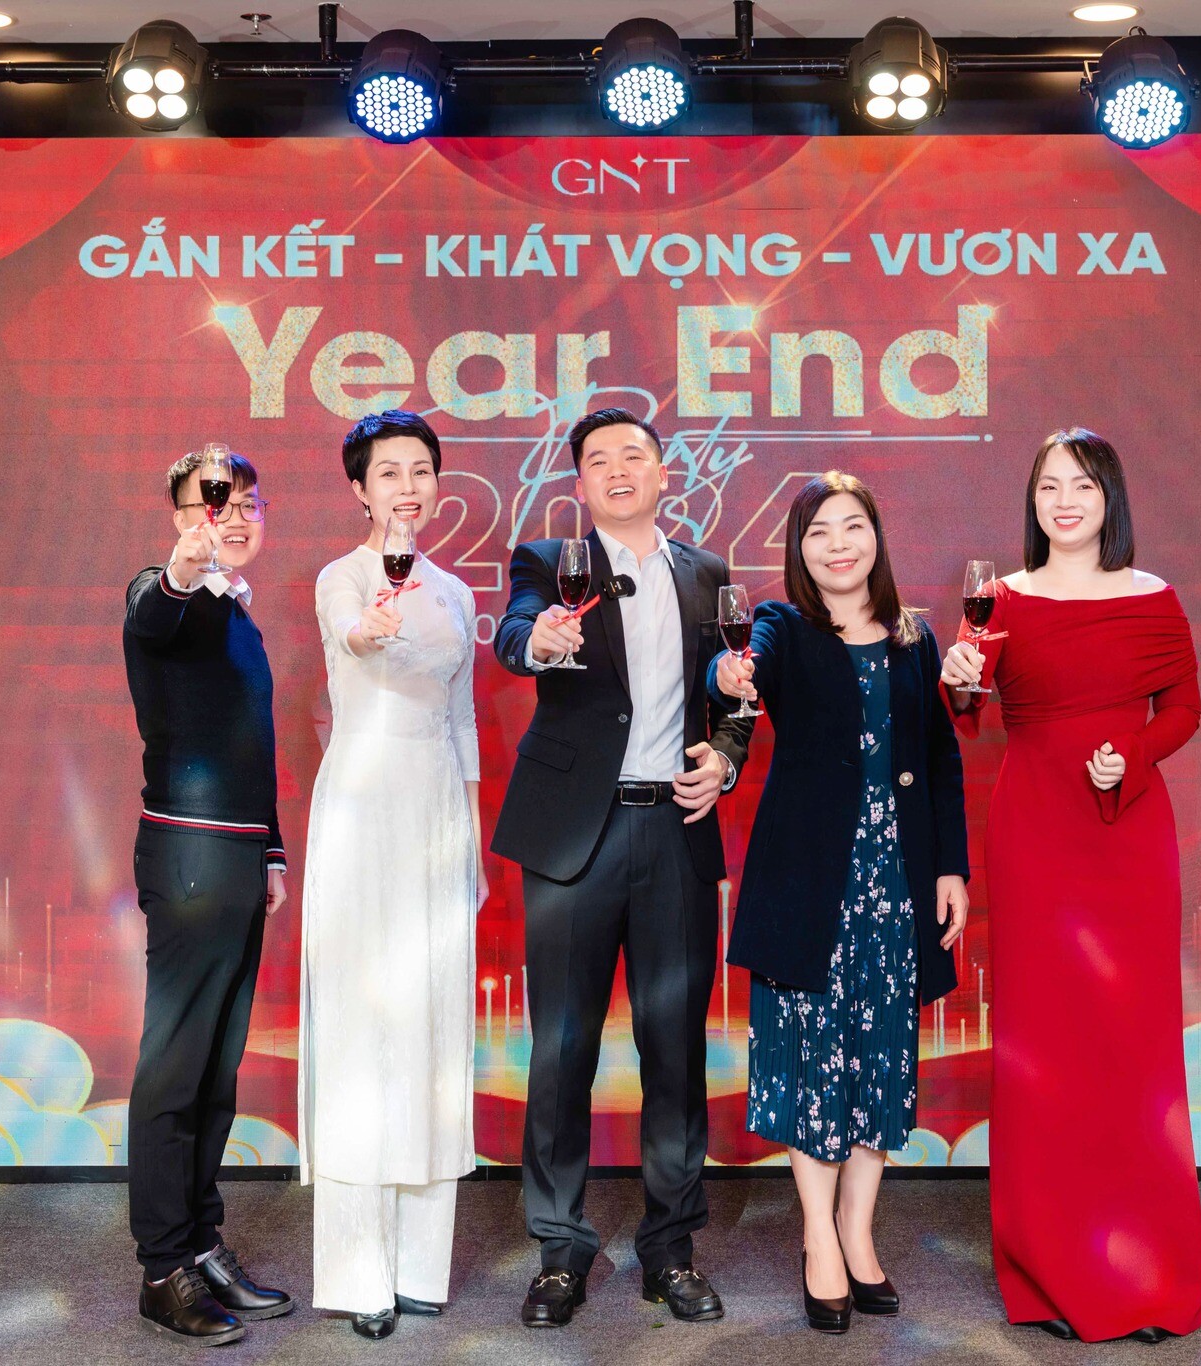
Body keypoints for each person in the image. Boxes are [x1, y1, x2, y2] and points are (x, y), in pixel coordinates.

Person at [939, 427, 1201, 1344]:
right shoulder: (1002, 599)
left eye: (1082, 486)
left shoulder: (1154, 597)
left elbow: (1184, 709)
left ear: (1109, 499)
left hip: (1128, 835)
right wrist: (959, 676)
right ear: (1033, 501)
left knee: (1132, 1051)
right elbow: (964, 712)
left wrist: (1131, 752)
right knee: (1044, 1050)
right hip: (1036, 835)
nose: (1064, 501)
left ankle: (1150, 1274)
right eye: (1049, 485)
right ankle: (1048, 1273)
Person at [491, 407, 753, 1329]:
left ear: (662, 473)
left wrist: (726, 758)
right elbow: (515, 634)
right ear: (579, 484)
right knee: (562, 1048)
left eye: (632, 456)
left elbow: (736, 690)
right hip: (577, 833)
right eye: (596, 460)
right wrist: (540, 642)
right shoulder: (548, 563)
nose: (616, 470)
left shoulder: (707, 573)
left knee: (674, 1049)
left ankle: (670, 1249)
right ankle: (560, 1251)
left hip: (673, 829)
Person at [712, 472, 970, 1335]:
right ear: (800, 549)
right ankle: (818, 1237)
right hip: (809, 887)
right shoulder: (784, 627)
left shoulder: (913, 637)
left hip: (896, 885)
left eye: (852, 527)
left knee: (880, 1062)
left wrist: (950, 868)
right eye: (818, 532)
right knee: (811, 1062)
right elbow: (740, 673)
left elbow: (940, 755)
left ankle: (859, 1232)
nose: (837, 545)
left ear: (876, 539)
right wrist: (728, 673)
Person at [299, 411, 486, 1341]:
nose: (408, 487)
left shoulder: (455, 593)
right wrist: (372, 628)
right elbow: (355, 636)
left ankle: (418, 1264)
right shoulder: (342, 578)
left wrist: (472, 830)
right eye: (388, 473)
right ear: (359, 490)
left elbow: (462, 720)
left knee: (430, 1028)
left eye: (421, 470)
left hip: (436, 814)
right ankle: (357, 1270)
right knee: (361, 1030)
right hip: (363, 813)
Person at [122, 444, 294, 1344]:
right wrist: (184, 564)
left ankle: (200, 1241)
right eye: (213, 502)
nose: (234, 516)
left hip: (235, 858)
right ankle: (163, 1269)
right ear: (182, 516)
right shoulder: (167, 592)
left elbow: (249, 745)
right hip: (188, 856)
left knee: (216, 1068)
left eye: (248, 503)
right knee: (175, 1065)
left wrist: (272, 852)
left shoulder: (238, 614)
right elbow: (158, 609)